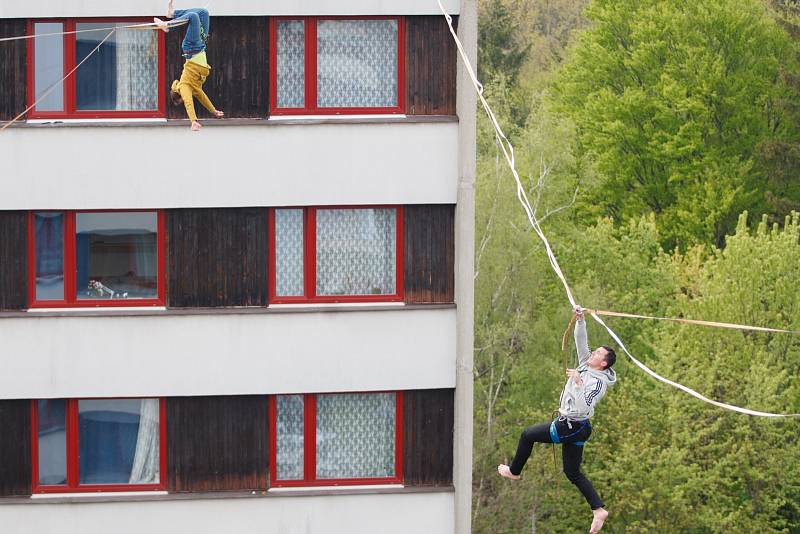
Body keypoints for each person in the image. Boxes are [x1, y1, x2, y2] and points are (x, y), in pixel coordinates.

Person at [498, 305, 617, 534]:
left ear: (604, 363)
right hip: (578, 429)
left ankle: (514, 471)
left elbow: (585, 405)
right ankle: (598, 509)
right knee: (572, 472)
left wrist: (579, 383)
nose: (592, 353)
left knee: (527, 435)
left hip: (571, 426)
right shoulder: (586, 363)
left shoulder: (598, 383)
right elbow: (582, 342)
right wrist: (580, 319)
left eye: (597, 354)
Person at [154, 2, 224, 131]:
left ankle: (167, 25)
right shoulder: (195, 87)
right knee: (203, 13)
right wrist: (213, 111)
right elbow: (203, 97)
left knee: (192, 16)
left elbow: (188, 103)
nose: (189, 95)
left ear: (178, 94)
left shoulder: (184, 87)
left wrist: (193, 121)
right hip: (200, 45)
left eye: (182, 99)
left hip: (192, 47)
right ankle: (173, 14)